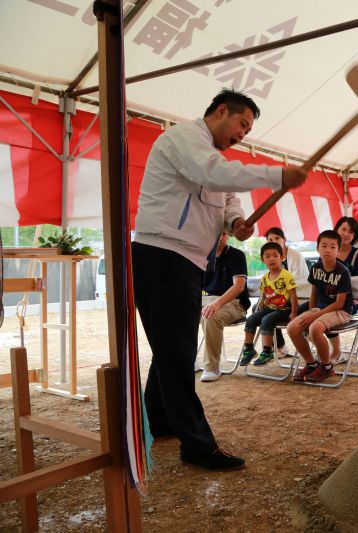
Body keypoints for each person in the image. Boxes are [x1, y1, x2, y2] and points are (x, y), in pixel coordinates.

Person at [132, 88, 307, 471]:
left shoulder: (215, 158)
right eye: (242, 123)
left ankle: (160, 420)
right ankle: (196, 445)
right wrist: (276, 174)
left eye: (248, 128)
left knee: (171, 346)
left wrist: (237, 224)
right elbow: (212, 174)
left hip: (188, 261)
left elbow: (229, 203)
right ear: (222, 110)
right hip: (162, 254)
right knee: (176, 350)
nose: (243, 133)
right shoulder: (183, 139)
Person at [286, 230, 353, 383]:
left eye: (332, 246)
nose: (328, 250)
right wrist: (311, 310)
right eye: (324, 246)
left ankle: (326, 367)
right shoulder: (316, 268)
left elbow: (339, 303)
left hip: (341, 311)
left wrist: (314, 315)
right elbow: (314, 293)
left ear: (338, 250)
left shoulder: (343, 272)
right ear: (317, 248)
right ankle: (311, 363)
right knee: (292, 328)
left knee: (315, 328)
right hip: (320, 309)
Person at [198, 231, 250, 383]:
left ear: (228, 236)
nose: (219, 237)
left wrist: (217, 303)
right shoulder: (202, 256)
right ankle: (189, 361)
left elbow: (239, 287)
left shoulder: (236, 255)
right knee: (180, 312)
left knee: (210, 315)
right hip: (208, 299)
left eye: (223, 234)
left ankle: (211, 367)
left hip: (234, 302)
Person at [240, 242, 298, 366]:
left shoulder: (286, 275)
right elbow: (265, 294)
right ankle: (249, 349)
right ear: (262, 260)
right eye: (267, 256)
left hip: (284, 310)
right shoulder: (265, 277)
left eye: (275, 255)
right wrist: (260, 304)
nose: (271, 258)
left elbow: (293, 294)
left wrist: (293, 312)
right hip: (271, 308)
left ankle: (267, 351)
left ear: (282, 257)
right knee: (250, 319)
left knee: (266, 320)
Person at [264, 226, 309, 356]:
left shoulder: (295, 255)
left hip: (300, 297)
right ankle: (280, 346)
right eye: (270, 239)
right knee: (260, 308)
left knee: (269, 311)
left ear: (284, 240)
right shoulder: (271, 257)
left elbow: (298, 281)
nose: (274, 241)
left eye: (277, 238)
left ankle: (281, 346)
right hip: (283, 299)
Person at [328, 216, 358, 362]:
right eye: (343, 229)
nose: (346, 234)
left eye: (350, 232)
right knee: (303, 315)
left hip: (350, 303)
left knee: (320, 314)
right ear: (336, 230)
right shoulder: (328, 250)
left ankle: (336, 352)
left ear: (355, 235)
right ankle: (324, 350)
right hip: (327, 300)